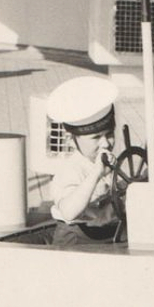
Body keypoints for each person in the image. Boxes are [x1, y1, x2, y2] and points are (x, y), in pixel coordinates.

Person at [46, 76, 122, 246]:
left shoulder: (109, 162)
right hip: (77, 237)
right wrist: (96, 174)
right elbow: (69, 212)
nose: (106, 143)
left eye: (109, 134)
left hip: (110, 233)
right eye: (96, 137)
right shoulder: (69, 170)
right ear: (71, 140)